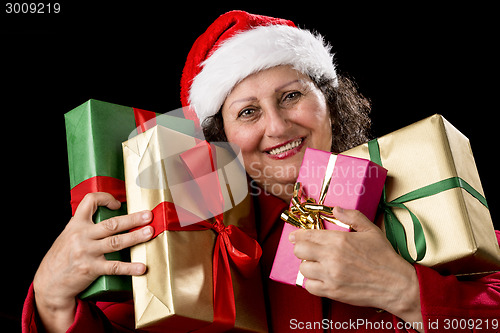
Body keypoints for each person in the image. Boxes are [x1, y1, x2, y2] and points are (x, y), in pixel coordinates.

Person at [23, 10, 500, 333]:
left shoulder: (414, 190)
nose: (277, 126)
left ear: (329, 102)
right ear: (221, 139)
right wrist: (51, 299)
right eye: (247, 112)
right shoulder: (192, 237)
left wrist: (404, 291)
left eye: (292, 95)